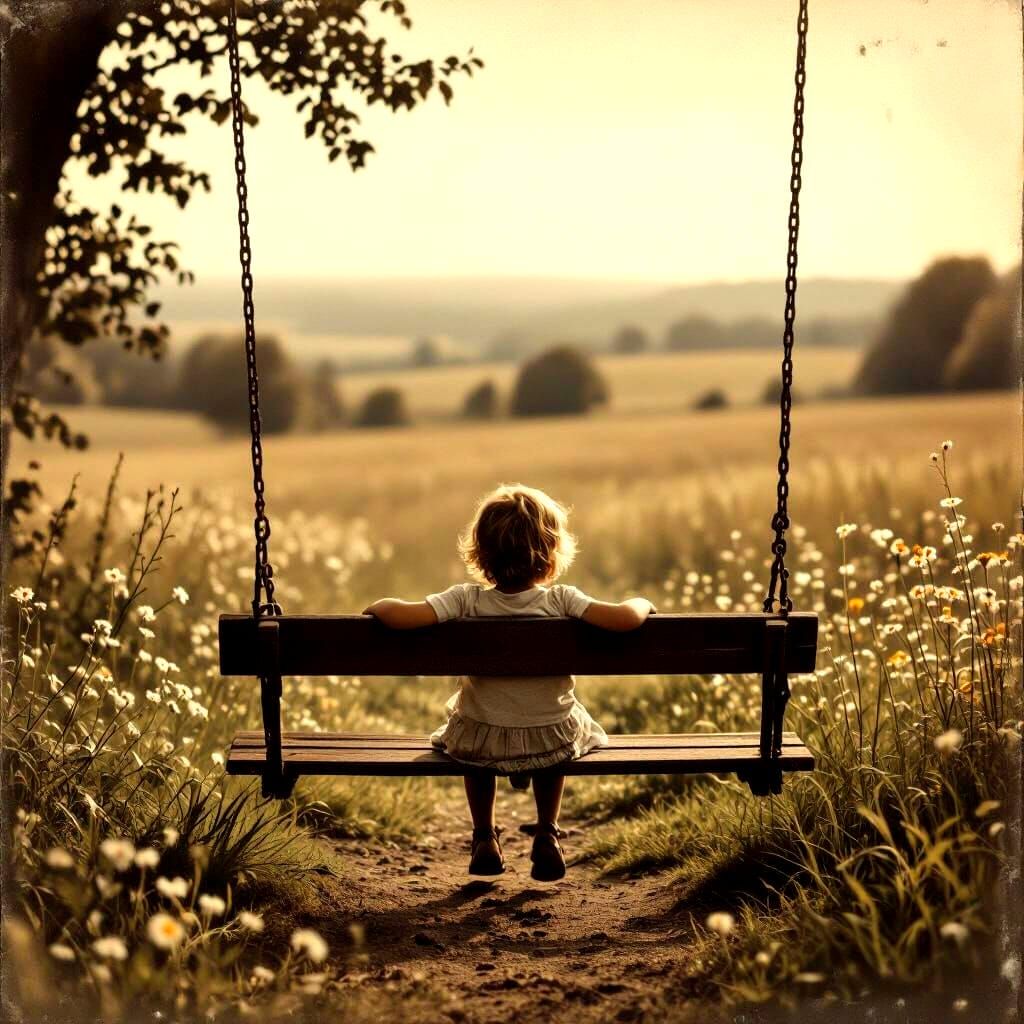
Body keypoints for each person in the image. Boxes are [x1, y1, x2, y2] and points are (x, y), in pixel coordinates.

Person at [363, 483, 654, 882]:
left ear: (482, 553)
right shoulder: (560, 600)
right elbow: (625, 619)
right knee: (558, 730)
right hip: (551, 735)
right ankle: (547, 832)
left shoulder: (466, 600)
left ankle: (484, 835)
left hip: (482, 737)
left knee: (472, 732)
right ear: (550, 551)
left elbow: (403, 615)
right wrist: (642, 603)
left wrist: (380, 607)